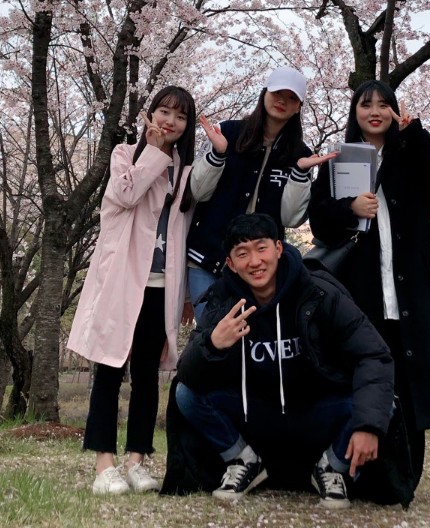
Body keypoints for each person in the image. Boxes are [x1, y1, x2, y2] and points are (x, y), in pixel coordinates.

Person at [171, 213, 399, 510]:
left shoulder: (319, 292)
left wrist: (368, 426)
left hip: (316, 410)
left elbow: (373, 355)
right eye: (242, 254)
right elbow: (188, 373)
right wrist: (212, 343)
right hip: (256, 413)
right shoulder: (223, 302)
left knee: (383, 404)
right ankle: (243, 460)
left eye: (261, 248)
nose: (254, 262)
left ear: (278, 249)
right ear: (230, 264)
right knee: (185, 394)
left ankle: (332, 467)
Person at [308, 79, 430, 491]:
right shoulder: (341, 160)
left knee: (410, 385)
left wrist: (414, 133)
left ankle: (405, 476)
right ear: (354, 112)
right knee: (364, 380)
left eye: (383, 104)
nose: (374, 111)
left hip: (411, 288)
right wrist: (350, 208)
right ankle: (361, 474)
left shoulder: (410, 154)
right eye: (365, 105)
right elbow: (319, 223)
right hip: (361, 290)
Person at [67, 86, 197, 496]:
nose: (169, 122)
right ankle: (104, 464)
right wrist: (154, 153)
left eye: (179, 116)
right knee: (108, 370)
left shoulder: (187, 169)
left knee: (146, 377)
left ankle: (136, 459)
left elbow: (186, 233)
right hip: (124, 283)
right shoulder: (126, 154)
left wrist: (188, 293)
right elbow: (125, 194)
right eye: (163, 111)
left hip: (162, 288)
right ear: (149, 114)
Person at [186, 66, 336, 319]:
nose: (282, 101)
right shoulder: (228, 133)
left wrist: (300, 173)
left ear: (298, 106)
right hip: (209, 257)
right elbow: (197, 192)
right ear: (264, 93)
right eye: (277, 93)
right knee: (212, 338)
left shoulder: (301, 154)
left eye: (291, 98)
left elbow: (290, 219)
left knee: (255, 344)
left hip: (261, 270)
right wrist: (218, 155)